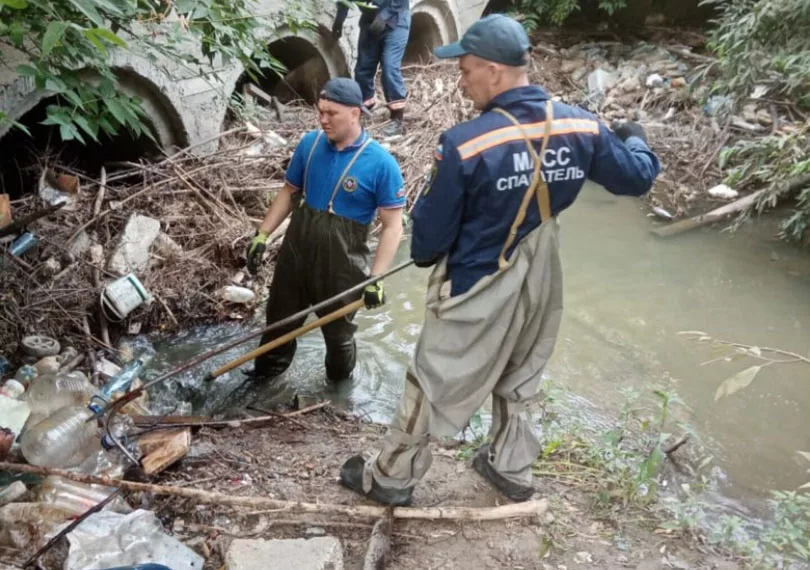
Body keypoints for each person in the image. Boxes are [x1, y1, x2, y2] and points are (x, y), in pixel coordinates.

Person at [338, 14, 661, 506]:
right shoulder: (581, 125)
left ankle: (390, 479)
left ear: (494, 71)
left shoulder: (467, 144)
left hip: (478, 275)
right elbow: (637, 177)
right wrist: (633, 134)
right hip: (543, 273)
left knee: (433, 374)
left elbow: (426, 244)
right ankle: (511, 468)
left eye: (465, 71)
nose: (462, 83)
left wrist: (432, 247)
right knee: (523, 369)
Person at [244, 77, 405, 384]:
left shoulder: (382, 164)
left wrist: (376, 278)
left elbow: (393, 225)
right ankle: (262, 383)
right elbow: (289, 191)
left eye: (332, 113)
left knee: (338, 335)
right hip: (297, 252)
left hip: (342, 264)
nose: (323, 119)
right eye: (321, 111)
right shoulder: (310, 144)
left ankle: (338, 391)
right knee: (278, 324)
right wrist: (262, 234)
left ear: (356, 113)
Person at [331, 0, 410, 137]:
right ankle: (365, 109)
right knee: (363, 68)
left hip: (395, 20)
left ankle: (397, 119)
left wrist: (383, 16)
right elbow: (345, 2)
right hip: (370, 21)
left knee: (389, 67)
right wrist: (339, 20)